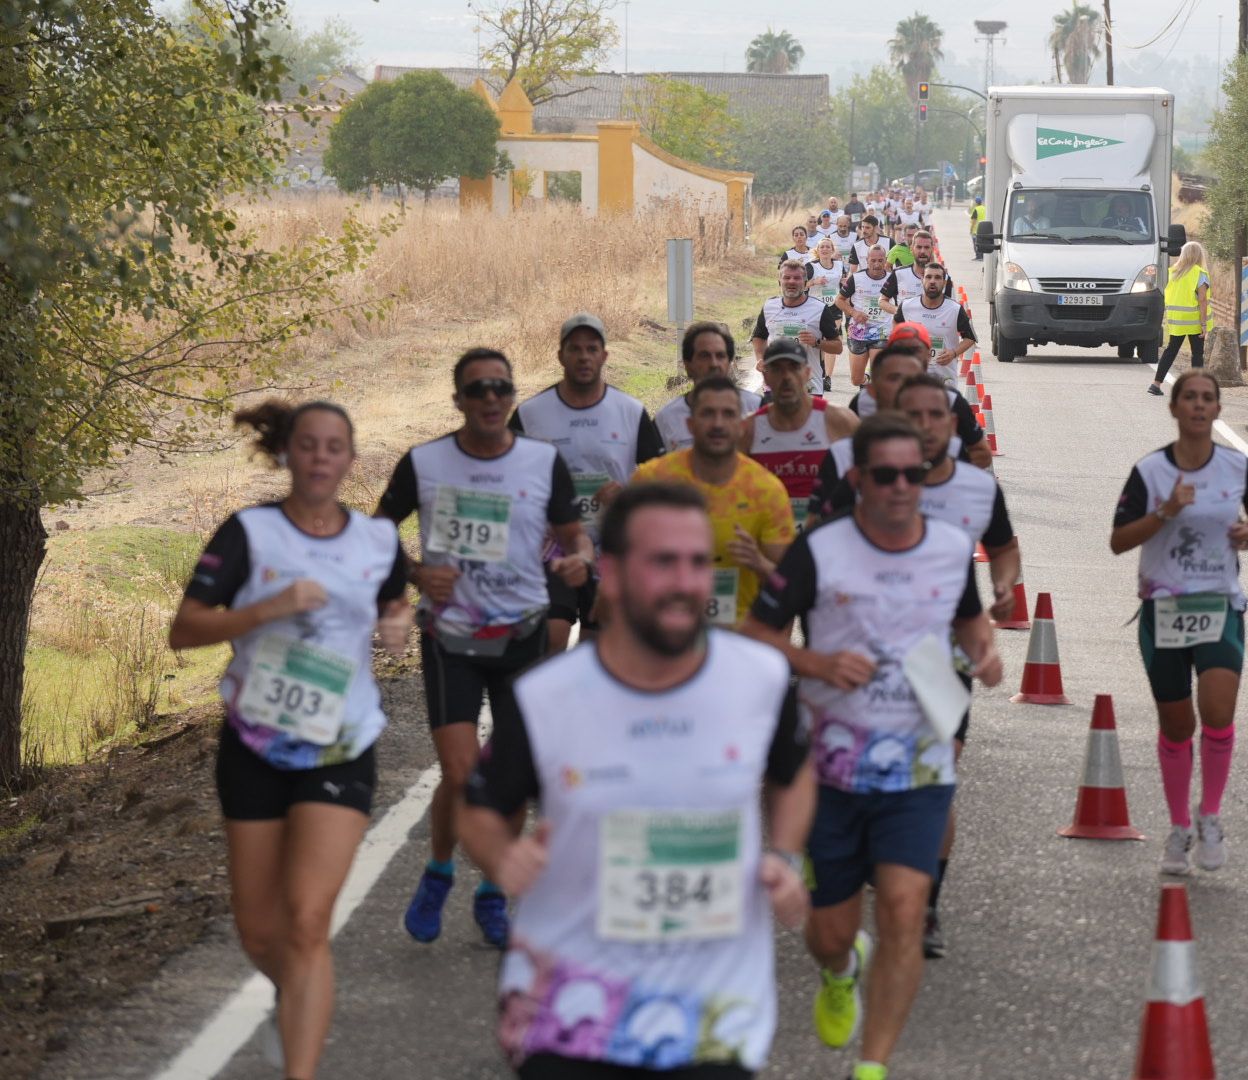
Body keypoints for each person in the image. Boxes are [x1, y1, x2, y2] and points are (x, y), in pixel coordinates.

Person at [460, 483, 815, 1079]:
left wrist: (783, 851)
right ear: (614, 574)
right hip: (568, 1003)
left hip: (714, 1009)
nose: (685, 582)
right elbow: (479, 807)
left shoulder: (761, 680)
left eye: (699, 562)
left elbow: (793, 773)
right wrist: (501, 856)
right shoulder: (546, 698)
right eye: (663, 562)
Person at [742, 414, 1003, 1080]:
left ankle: (874, 1067)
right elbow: (756, 634)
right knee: (829, 935)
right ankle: (840, 971)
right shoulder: (819, 550)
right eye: (883, 475)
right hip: (828, 771)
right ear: (856, 479)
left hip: (919, 764)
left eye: (911, 475)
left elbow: (972, 626)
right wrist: (816, 663)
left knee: (904, 908)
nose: (899, 488)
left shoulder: (949, 547)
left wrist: (986, 654)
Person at [170, 400, 413, 1078]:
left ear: (350, 460)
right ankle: (294, 991)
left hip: (341, 744)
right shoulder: (249, 533)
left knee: (307, 921)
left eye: (334, 447)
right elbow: (184, 628)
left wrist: (397, 622)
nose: (320, 458)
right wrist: (266, 609)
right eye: (308, 445)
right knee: (260, 929)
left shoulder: (376, 542)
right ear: (288, 455)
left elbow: (395, 597)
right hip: (254, 743)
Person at [379, 347, 594, 949]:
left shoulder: (541, 461)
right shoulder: (424, 463)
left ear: (511, 395)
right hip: (451, 635)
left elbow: (573, 535)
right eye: (478, 390)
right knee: (459, 769)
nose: (492, 399)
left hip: (521, 634)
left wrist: (579, 559)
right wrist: (417, 575)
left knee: (508, 770)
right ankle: (441, 870)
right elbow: (375, 533)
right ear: (458, 401)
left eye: (501, 388)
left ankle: (493, 891)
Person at [1109, 371, 1248, 875]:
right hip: (1163, 611)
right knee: (1177, 725)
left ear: (1218, 410)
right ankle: (1178, 827)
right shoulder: (1150, 472)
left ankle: (1211, 815)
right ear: (1175, 409)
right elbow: (1118, 541)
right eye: (1190, 399)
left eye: (1208, 399)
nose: (1199, 407)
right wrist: (1165, 512)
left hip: (1220, 603)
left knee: (1218, 713)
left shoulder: (1237, 467)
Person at [896, 373, 1019, 959]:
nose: (924, 428)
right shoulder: (868, 484)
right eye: (912, 417)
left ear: (953, 426)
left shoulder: (976, 488)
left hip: (946, 651)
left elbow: (1004, 544)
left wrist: (1002, 585)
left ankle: (926, 906)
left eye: (935, 417)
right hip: (871, 655)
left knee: (936, 781)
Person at [511, 314, 666, 640]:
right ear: (560, 355)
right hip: (552, 545)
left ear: (604, 356)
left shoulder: (630, 410)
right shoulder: (530, 414)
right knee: (552, 635)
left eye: (592, 349)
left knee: (597, 645)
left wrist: (627, 496)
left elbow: (659, 480)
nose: (583, 357)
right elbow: (506, 476)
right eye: (575, 349)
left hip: (611, 544)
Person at [633, 376, 795, 628]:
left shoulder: (766, 490)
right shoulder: (652, 480)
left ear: (742, 425)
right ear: (690, 423)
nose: (718, 424)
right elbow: (619, 564)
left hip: (737, 640)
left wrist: (759, 562)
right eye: (707, 414)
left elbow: (790, 588)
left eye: (728, 414)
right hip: (664, 638)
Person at [743, 338, 860, 531]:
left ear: (807, 373)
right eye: (778, 369)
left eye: (793, 368)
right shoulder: (747, 429)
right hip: (768, 533)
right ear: (765, 376)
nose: (786, 377)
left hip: (826, 533)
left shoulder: (840, 420)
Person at [845, 327, 993, 472]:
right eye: (901, 349)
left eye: (915, 349)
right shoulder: (864, 401)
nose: (908, 355)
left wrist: (944, 476)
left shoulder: (950, 400)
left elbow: (982, 454)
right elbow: (847, 454)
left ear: (928, 354)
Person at [655, 322, 764, 454]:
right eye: (704, 356)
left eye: (720, 356)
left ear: (730, 363)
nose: (714, 364)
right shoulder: (665, 418)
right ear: (687, 365)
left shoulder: (758, 408)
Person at [751, 259, 843, 397]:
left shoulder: (819, 309)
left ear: (805, 283)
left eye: (797, 278)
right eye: (786, 277)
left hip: (809, 386)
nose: (791, 282)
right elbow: (759, 336)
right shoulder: (769, 306)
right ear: (779, 282)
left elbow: (838, 347)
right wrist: (760, 358)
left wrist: (817, 342)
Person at [1148, 241, 1213, 396]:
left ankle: (1155, 384)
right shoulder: (1199, 273)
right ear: (1199, 256)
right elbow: (1202, 300)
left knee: (1171, 350)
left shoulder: (1172, 272)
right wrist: (1204, 324)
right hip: (1194, 320)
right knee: (1197, 353)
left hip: (1176, 320)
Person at [894, 264, 976, 385]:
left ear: (944, 282)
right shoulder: (907, 306)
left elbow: (970, 338)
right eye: (928, 277)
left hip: (944, 379)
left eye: (937, 277)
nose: (932, 281)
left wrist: (953, 353)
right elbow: (896, 324)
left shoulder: (954, 309)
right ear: (922, 280)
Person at [838, 244, 895, 390]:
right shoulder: (856, 278)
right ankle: (867, 380)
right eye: (873, 260)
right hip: (859, 331)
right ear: (867, 260)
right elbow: (839, 300)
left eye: (880, 260)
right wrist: (854, 313)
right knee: (856, 380)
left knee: (878, 374)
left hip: (883, 331)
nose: (877, 264)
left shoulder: (893, 279)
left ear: (885, 260)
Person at [807, 238, 850, 390]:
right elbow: (801, 285)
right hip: (815, 308)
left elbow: (843, 283)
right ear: (817, 250)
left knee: (831, 340)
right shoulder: (810, 266)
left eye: (828, 247)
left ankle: (827, 377)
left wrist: (845, 283)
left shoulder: (839, 265)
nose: (825, 249)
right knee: (818, 343)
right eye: (822, 247)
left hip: (833, 306)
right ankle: (820, 368)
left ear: (832, 250)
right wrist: (814, 282)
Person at [881, 233, 951, 310]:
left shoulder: (945, 277)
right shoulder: (898, 274)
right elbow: (882, 301)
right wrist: (899, 312)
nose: (922, 251)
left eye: (927, 247)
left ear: (932, 249)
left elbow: (950, 307)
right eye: (919, 247)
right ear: (911, 249)